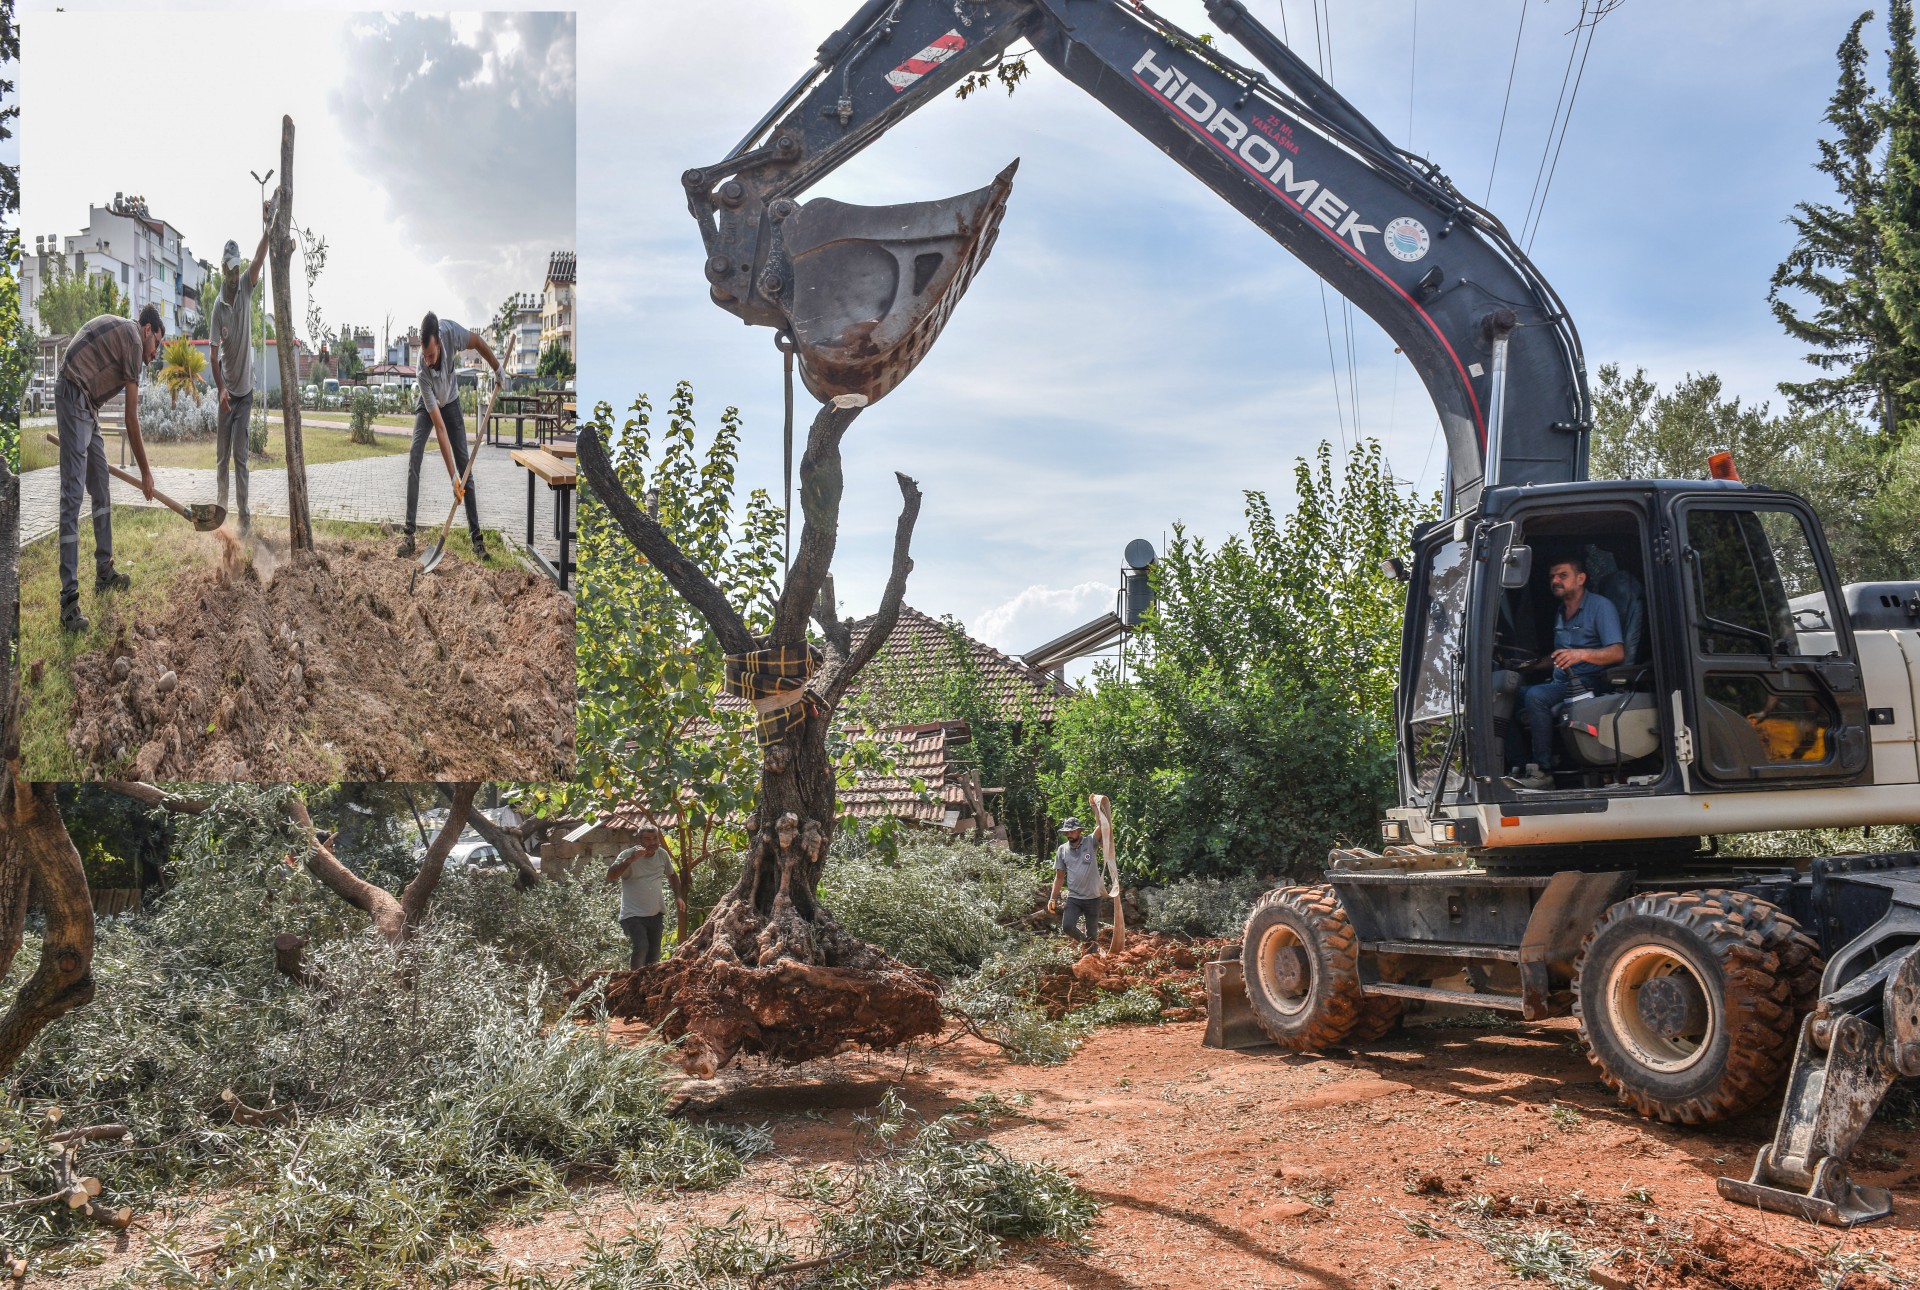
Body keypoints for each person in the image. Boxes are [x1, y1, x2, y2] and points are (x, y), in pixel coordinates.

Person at [55, 305, 162, 634]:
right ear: (147, 331)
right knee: (73, 498)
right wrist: (145, 473)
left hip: (87, 404)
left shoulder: (131, 338)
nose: (155, 354)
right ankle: (69, 603)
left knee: (101, 487)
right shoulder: (133, 340)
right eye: (156, 344)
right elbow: (132, 419)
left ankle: (104, 572)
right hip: (74, 392)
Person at [395, 311, 501, 559]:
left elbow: (477, 342)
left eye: (432, 355)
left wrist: (497, 368)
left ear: (440, 343)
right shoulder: (423, 370)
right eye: (425, 355)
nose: (429, 361)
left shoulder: (452, 333)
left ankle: (477, 540)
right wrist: (451, 475)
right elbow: (438, 428)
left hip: (451, 402)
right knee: (415, 454)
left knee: (466, 466)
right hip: (429, 402)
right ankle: (409, 534)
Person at [1513, 554, 1625, 789]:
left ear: (1581, 578)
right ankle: (1521, 766)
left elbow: (1617, 653)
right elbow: (1559, 656)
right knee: (1508, 693)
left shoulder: (1600, 607)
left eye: (1563, 575)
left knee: (1537, 697)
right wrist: (1527, 667)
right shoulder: (1561, 612)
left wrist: (1581, 654)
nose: (1556, 581)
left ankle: (1543, 771)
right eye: (1552, 577)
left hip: (1589, 683)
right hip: (1560, 683)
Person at [207, 205, 272, 535]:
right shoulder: (218, 306)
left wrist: (268, 226)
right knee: (221, 458)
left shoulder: (246, 287)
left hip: (245, 395)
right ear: (222, 269)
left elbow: (259, 259)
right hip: (226, 394)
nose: (234, 276)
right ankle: (220, 511)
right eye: (230, 271)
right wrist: (220, 389)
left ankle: (244, 519)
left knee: (240, 458)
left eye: (237, 270)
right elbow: (212, 353)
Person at [606, 826, 671, 969]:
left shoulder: (662, 855)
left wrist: (679, 897)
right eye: (647, 839)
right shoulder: (627, 854)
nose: (652, 842)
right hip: (633, 914)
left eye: (655, 839)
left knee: (654, 955)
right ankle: (634, 983)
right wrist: (630, 860)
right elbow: (610, 876)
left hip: (655, 913)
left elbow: (673, 875)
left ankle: (649, 986)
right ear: (639, 840)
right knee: (641, 947)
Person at [1047, 817, 1106, 946]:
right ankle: (1086, 944)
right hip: (1074, 897)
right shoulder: (1062, 850)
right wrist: (1052, 898)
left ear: (1079, 830)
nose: (1069, 835)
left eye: (1072, 831)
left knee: (1092, 935)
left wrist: (1096, 806)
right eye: (1067, 832)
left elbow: (1102, 824)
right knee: (1067, 927)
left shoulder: (1090, 842)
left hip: (1093, 897)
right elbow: (1059, 877)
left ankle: (1092, 954)